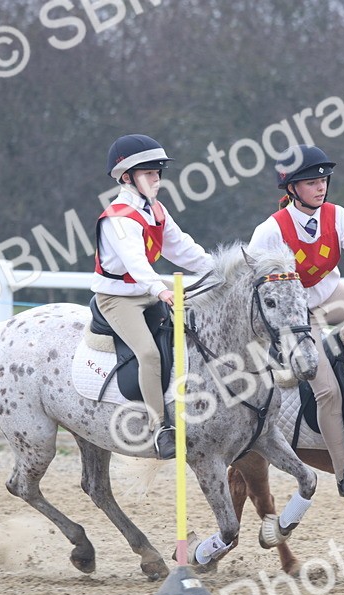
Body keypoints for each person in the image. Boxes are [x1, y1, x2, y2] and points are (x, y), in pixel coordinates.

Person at [248, 145, 344, 503]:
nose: (320, 186)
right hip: (297, 318)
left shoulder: (338, 216)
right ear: (291, 188)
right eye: (310, 181)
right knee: (327, 390)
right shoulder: (270, 231)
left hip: (333, 296)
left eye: (323, 179)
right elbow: (254, 285)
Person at [93, 134, 215, 459]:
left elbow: (184, 249)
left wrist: (220, 270)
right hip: (118, 300)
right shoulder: (118, 218)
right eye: (148, 173)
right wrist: (161, 289)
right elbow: (136, 263)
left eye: (158, 172)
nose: (156, 179)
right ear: (126, 177)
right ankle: (159, 428)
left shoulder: (156, 211)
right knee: (148, 354)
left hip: (149, 293)